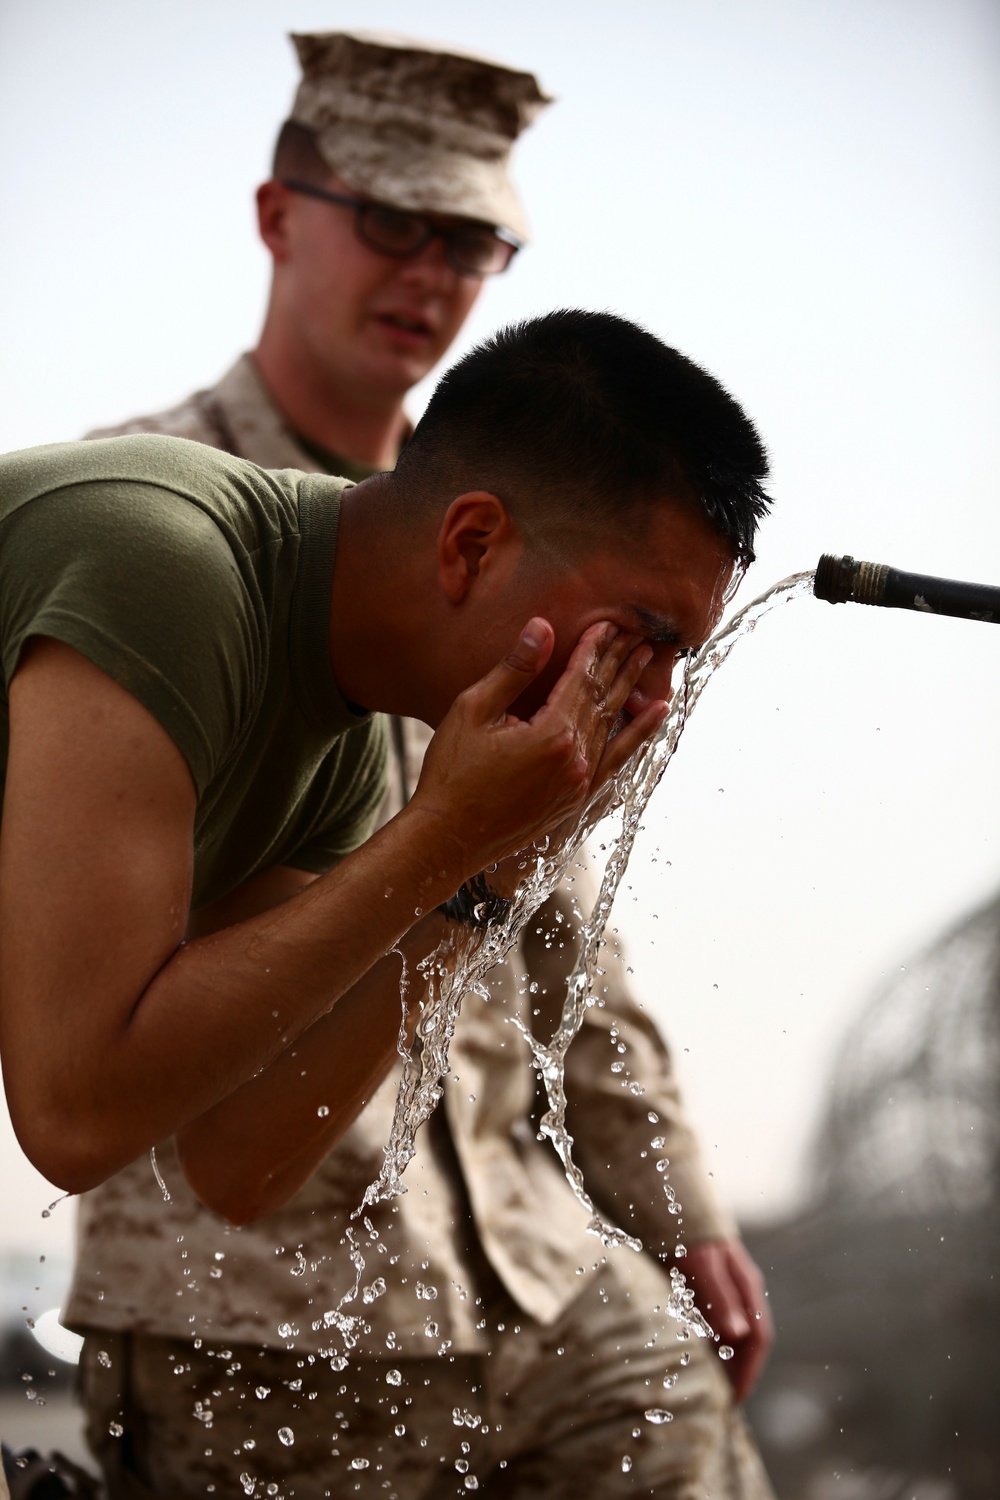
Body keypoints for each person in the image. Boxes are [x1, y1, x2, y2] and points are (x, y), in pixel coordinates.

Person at [22, 32, 775, 1498]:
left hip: (520, 1242)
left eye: (473, 240)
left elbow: (560, 923)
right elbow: (99, 1105)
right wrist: (444, 847)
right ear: (279, 216)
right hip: (250, 1294)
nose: (430, 274)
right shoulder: (157, 546)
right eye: (394, 222)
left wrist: (670, 1196)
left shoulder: (580, 513)